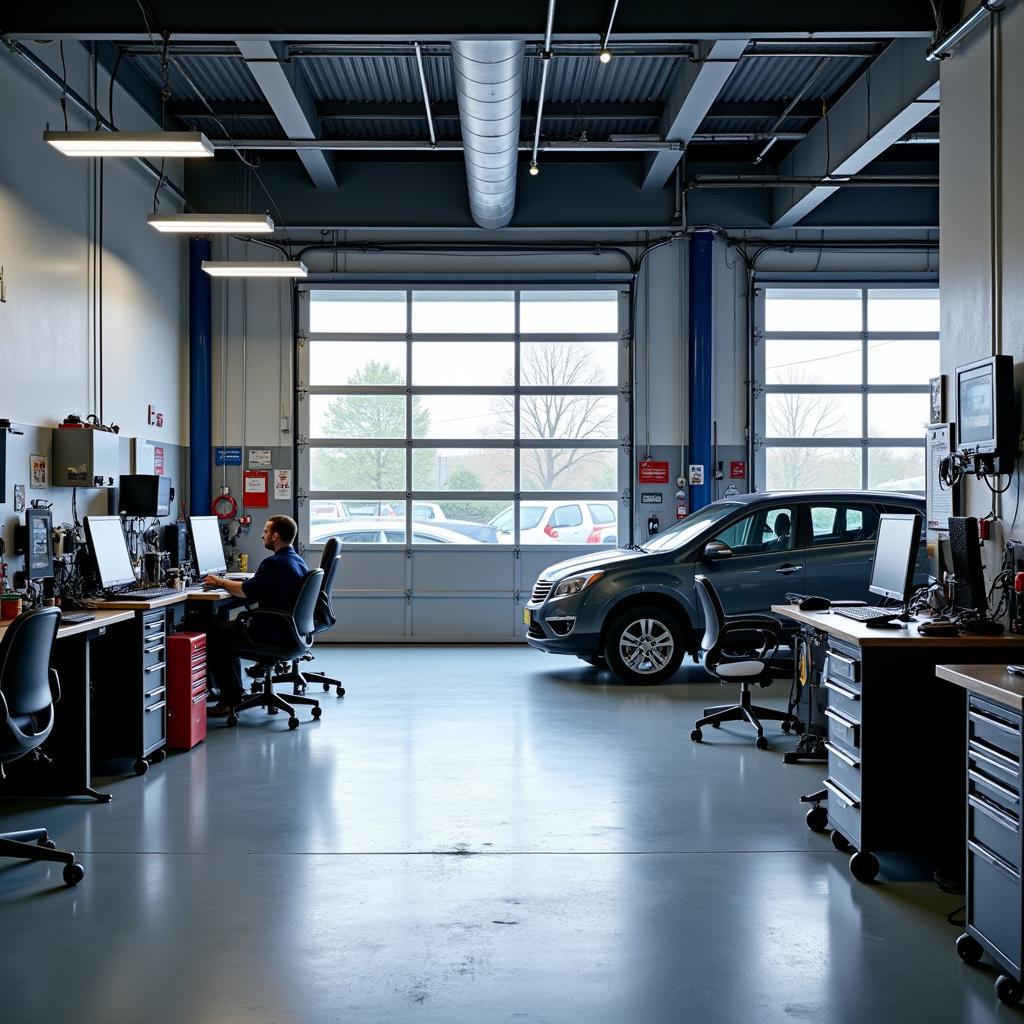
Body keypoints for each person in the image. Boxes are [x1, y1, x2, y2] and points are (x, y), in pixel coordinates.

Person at [204, 515, 308, 716]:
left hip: (271, 632)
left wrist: (220, 582)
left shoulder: (274, 563)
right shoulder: (296, 560)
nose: (262, 536)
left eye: (266, 532)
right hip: (289, 631)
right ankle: (229, 692)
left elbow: (246, 591)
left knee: (214, 635)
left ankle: (230, 700)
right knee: (224, 630)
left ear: (275, 536)